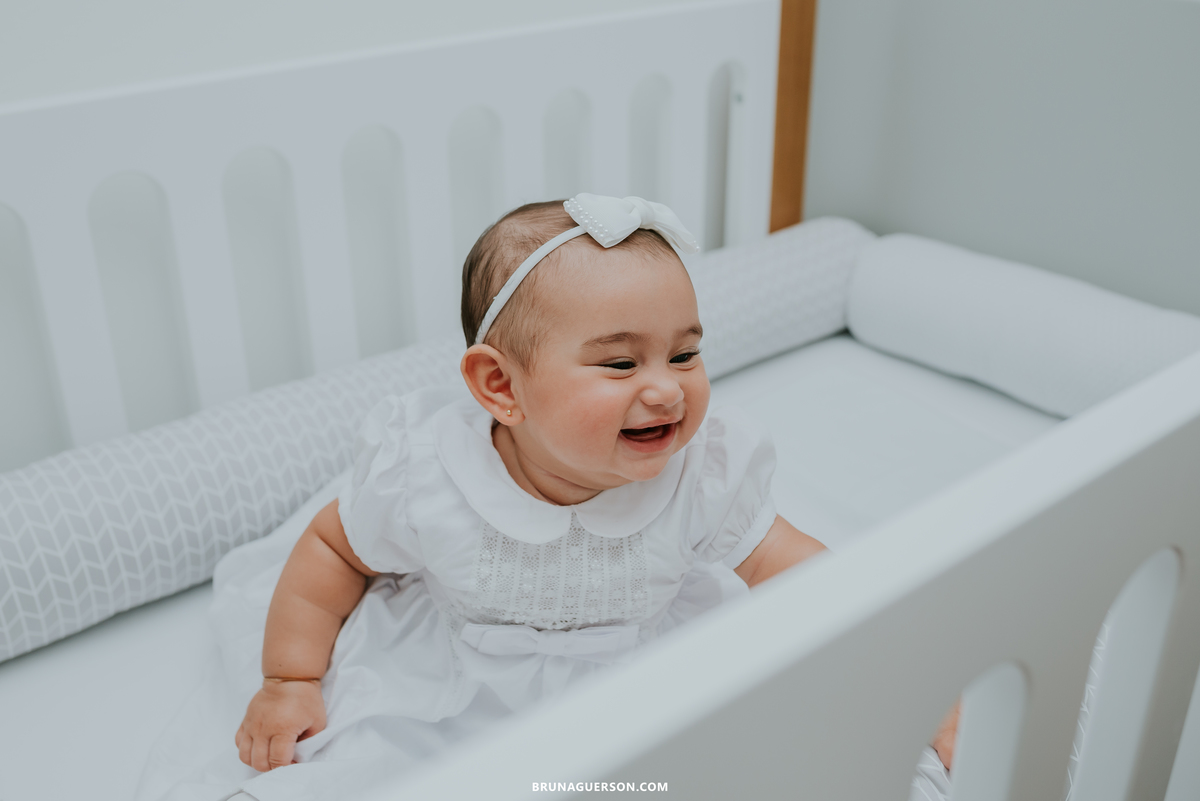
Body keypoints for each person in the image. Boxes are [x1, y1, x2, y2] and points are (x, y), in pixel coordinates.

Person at [229, 194, 953, 796]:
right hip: (463, 688)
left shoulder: (699, 473)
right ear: (501, 387)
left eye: (685, 353)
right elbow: (333, 550)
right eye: (619, 363)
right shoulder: (428, 480)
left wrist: (910, 677)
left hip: (647, 676)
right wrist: (289, 677)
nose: (667, 388)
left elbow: (792, 567)